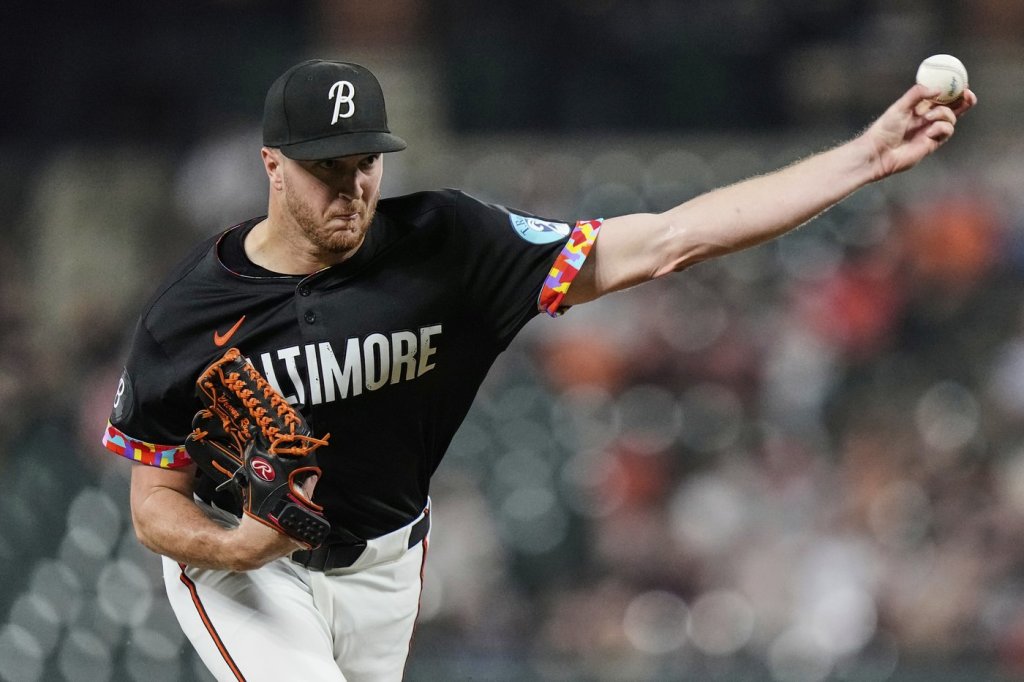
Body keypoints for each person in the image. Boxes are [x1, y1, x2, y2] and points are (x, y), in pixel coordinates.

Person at [101, 58, 976, 681]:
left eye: (364, 163)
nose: (351, 187)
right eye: (325, 168)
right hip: (249, 570)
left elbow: (669, 240)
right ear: (271, 165)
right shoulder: (191, 314)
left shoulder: (448, 245)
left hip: (387, 565)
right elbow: (153, 504)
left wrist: (865, 158)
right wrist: (235, 548)